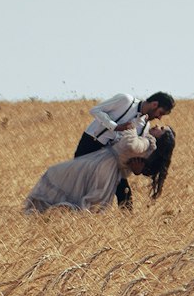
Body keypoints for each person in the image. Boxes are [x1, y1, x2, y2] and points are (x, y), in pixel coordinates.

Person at [24, 127, 175, 214]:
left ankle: (48, 212)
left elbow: (130, 145)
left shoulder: (148, 142)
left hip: (105, 165)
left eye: (162, 129)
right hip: (105, 164)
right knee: (88, 197)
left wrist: (131, 127)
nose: (158, 126)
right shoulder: (148, 141)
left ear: (162, 138)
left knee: (88, 198)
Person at [74, 91, 175, 210]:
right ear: (154, 104)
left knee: (125, 195)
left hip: (111, 157)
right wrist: (115, 126)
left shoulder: (145, 127)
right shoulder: (126, 100)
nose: (159, 117)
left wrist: (137, 169)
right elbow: (95, 110)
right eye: (160, 113)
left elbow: (131, 150)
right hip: (90, 145)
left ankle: (127, 224)